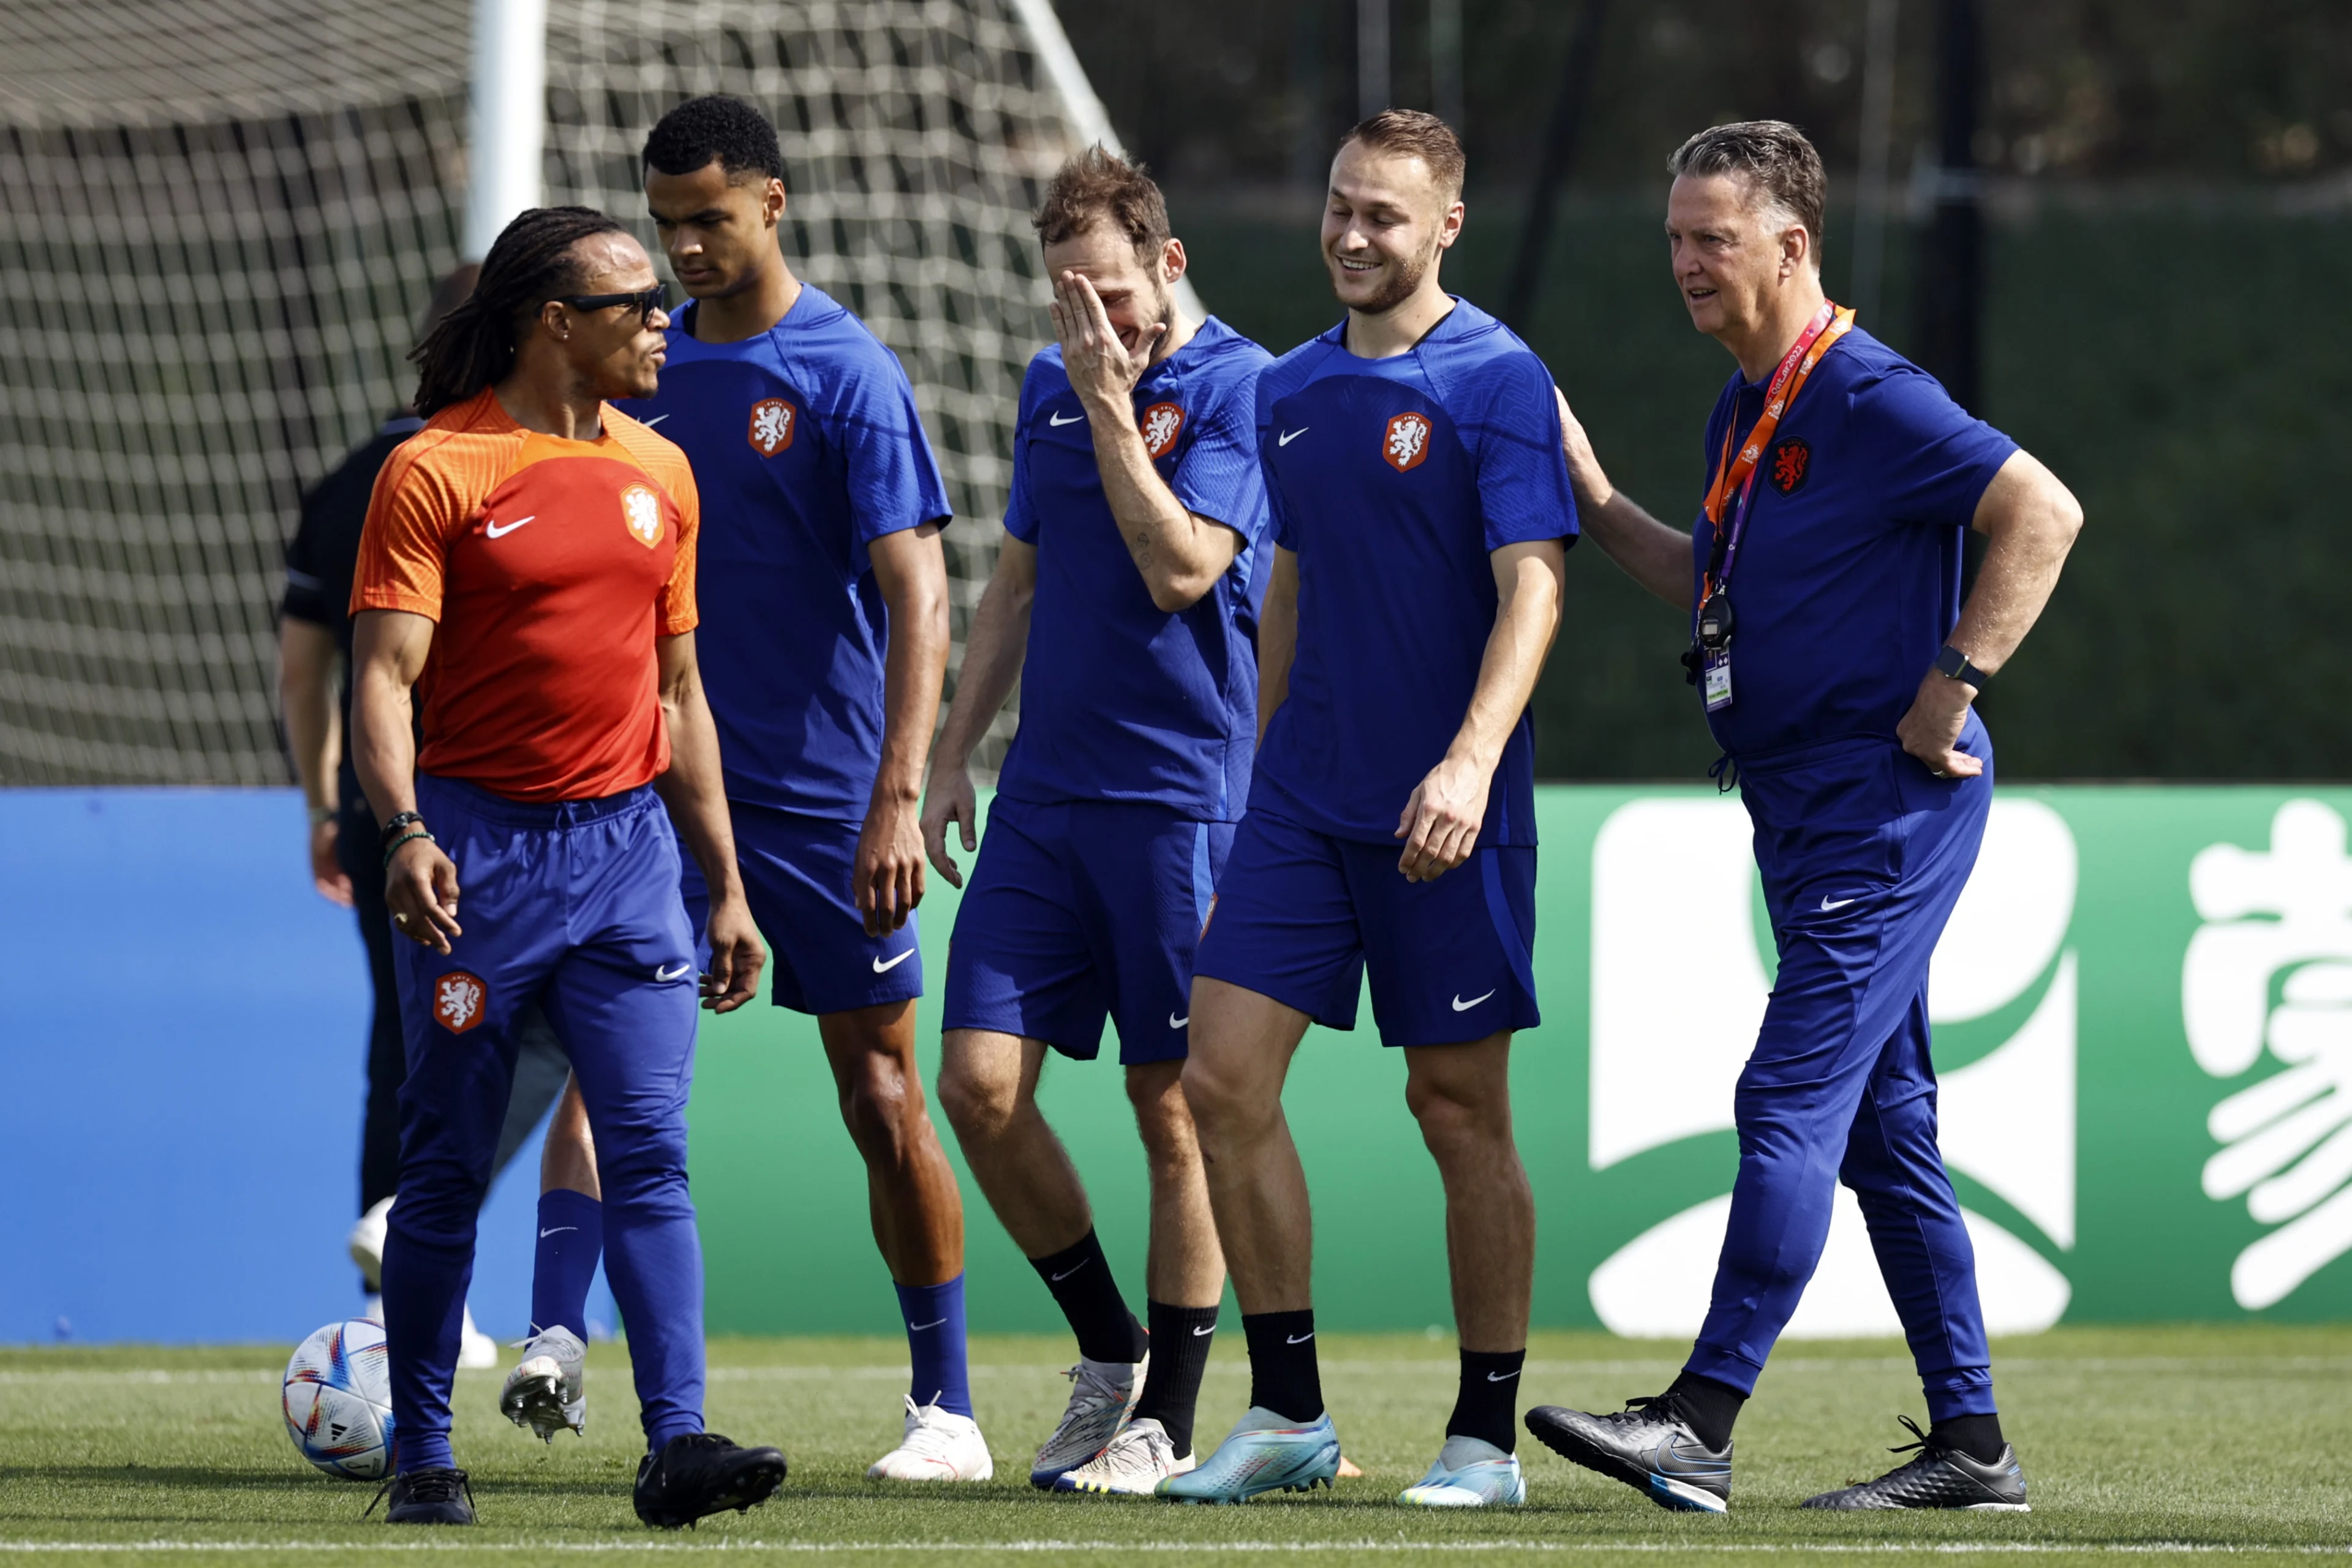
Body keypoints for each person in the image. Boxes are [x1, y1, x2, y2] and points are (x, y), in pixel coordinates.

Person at [1521, 120, 2082, 1514]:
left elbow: (2044, 511)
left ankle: (1702, 1418)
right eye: (1674, 238)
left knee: (1786, 1096)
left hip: (1882, 802)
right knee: (1887, 1125)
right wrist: (1588, 496)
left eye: (1712, 237)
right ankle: (1974, 1447)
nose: (1685, 264)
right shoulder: (1746, 407)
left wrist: (1951, 686)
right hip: (1804, 805)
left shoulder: (1870, 391)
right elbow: (1711, 584)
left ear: (1793, 242)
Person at [504, 96, 986, 1483]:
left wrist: (900, 791)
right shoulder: (629, 375)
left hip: (831, 798)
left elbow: (919, 595)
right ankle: (553, 1336)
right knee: (613, 1068)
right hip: (645, 788)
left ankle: (944, 1405)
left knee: (883, 1090)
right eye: (664, 228)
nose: (685, 252)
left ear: (773, 203)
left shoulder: (846, 372)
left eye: (707, 219)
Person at [348, 203, 786, 1528]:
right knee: (443, 1168)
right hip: (478, 854)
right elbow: (381, 678)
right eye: (636, 302)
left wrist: (724, 880)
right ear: (557, 322)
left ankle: (678, 1443)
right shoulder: (436, 472)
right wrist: (407, 829)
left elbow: (684, 692)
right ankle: (422, 1452)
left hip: (628, 856)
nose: (666, 318)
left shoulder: (666, 471)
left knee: (649, 1156)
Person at [1164, 110, 1574, 1509]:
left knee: (1454, 1107)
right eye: (1340, 207)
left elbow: (1536, 584)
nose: (1351, 234)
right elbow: (1290, 586)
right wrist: (1259, 774)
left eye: (1383, 216)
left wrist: (1465, 762)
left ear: (1444, 224)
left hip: (1445, 805)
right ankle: (1287, 1411)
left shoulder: (1499, 375)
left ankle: (1485, 1436)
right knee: (1219, 1075)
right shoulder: (1286, 387)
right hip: (1301, 802)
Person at [923, 148, 1269, 1495]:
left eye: (1114, 296)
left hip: (1182, 797)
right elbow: (1016, 584)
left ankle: (1168, 1419)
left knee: (1167, 1103)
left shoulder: (1242, 385)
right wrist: (952, 758)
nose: (1092, 325)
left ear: (1168, 266)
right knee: (981, 1087)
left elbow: (1186, 569)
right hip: (1046, 797)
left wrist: (1116, 406)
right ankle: (1109, 1345)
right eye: (1068, 299)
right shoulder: (1046, 383)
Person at [279, 264, 569, 1365]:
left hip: (371, 801)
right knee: (541, 1021)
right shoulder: (498, 470)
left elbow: (304, 670)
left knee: (404, 1033)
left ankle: (395, 1300)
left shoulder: (349, 478)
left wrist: (323, 799)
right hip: (488, 800)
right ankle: (414, 1217)